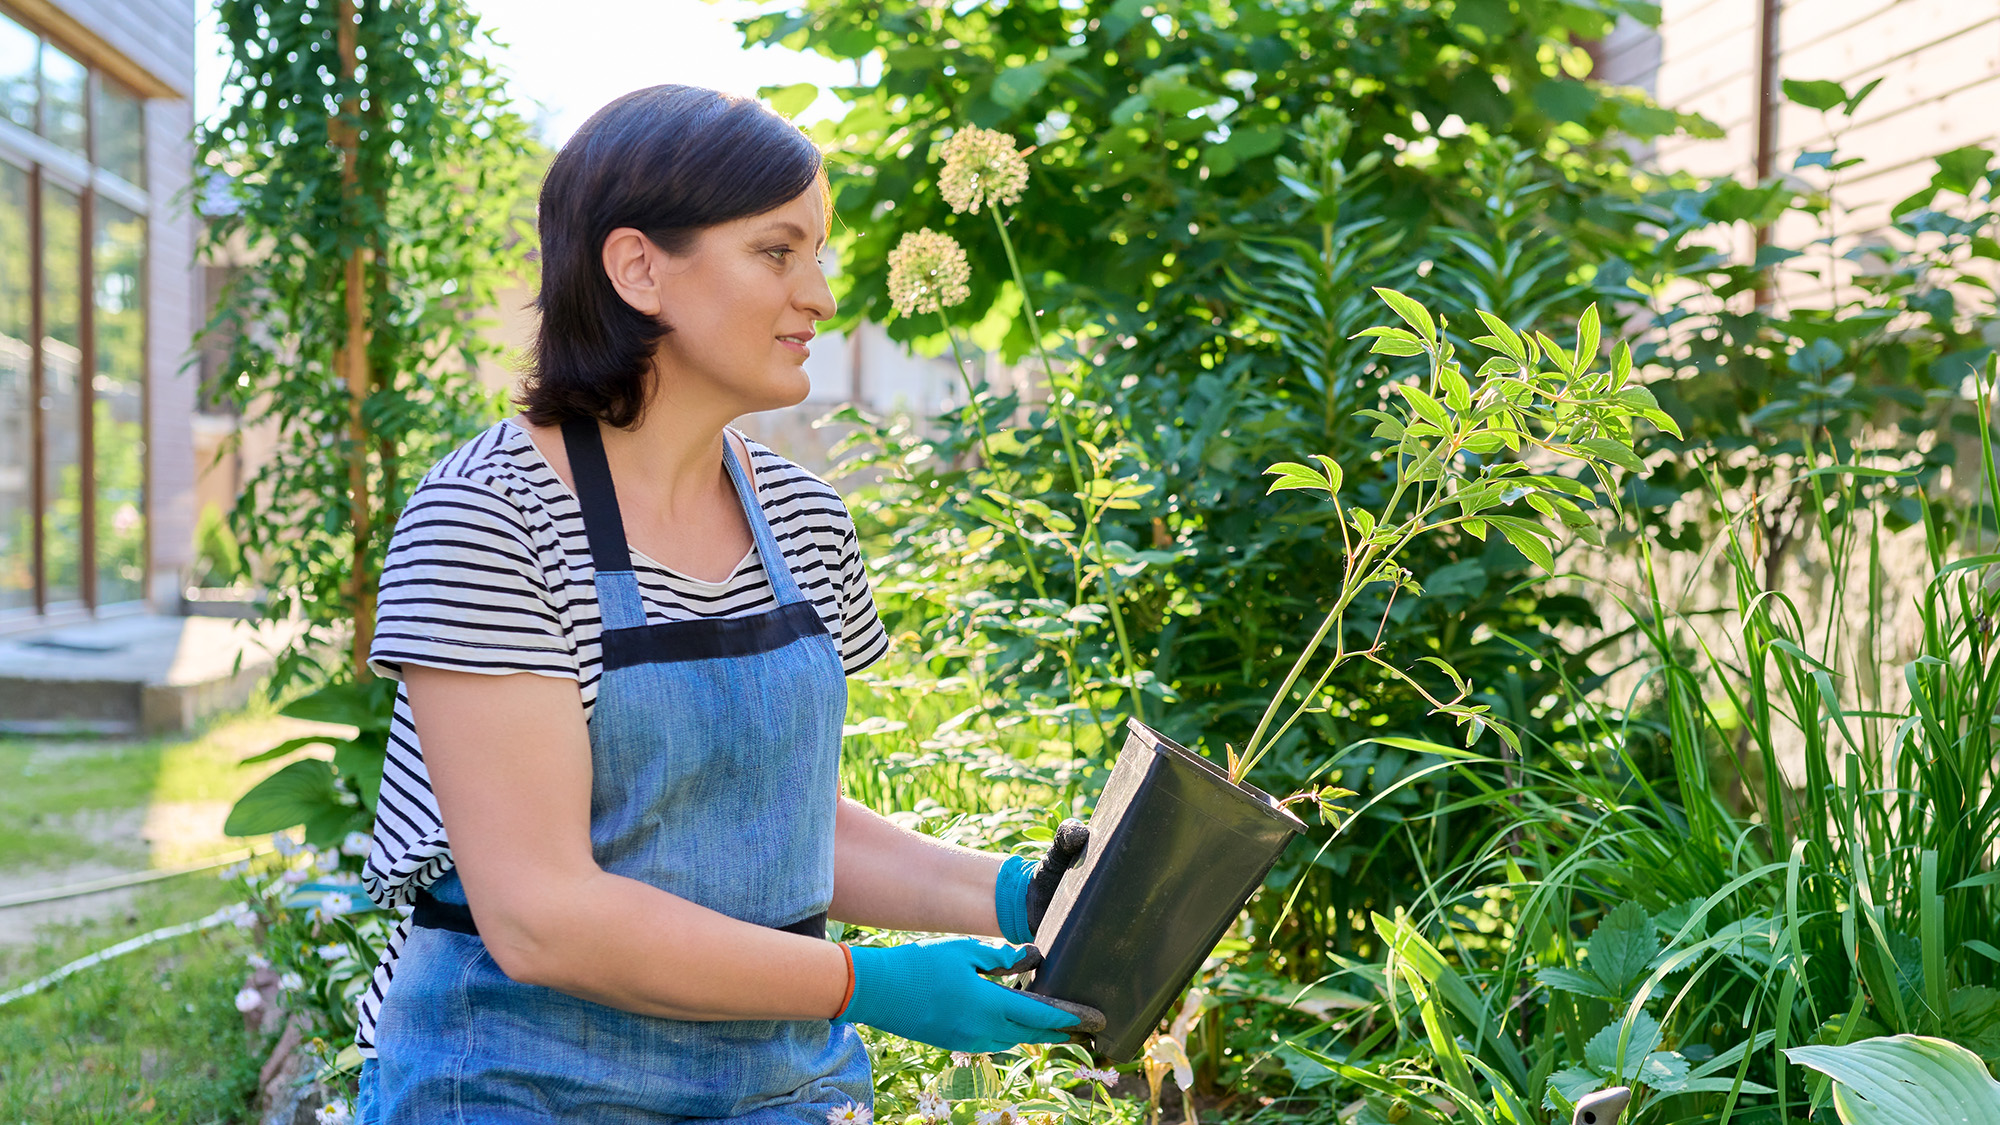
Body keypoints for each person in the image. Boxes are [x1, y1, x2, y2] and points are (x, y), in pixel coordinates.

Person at [350, 84, 1100, 1123]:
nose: (821, 297)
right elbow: (540, 918)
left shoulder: (799, 516)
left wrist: (1015, 893)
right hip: (518, 1082)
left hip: (777, 1087)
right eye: (777, 252)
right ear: (638, 268)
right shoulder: (487, 520)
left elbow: (768, 823)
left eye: (818, 253)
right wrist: (867, 986)